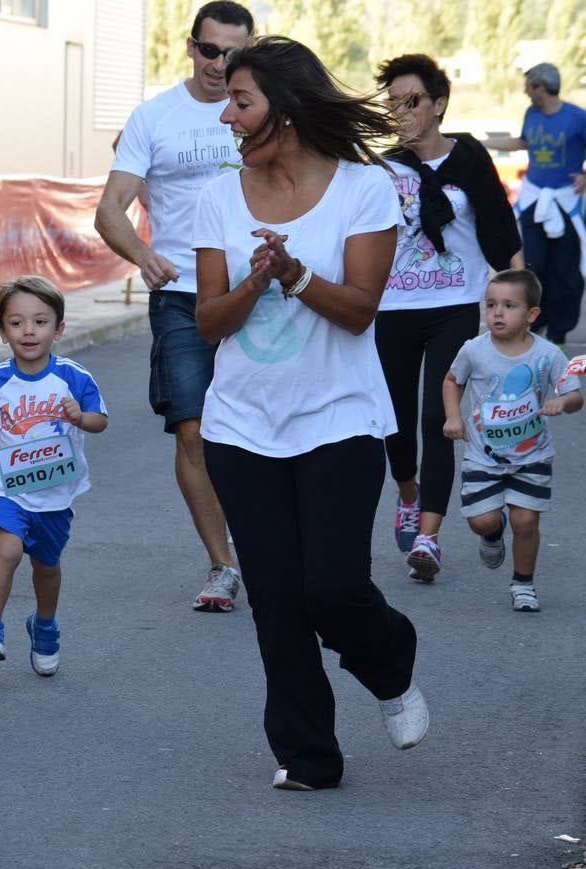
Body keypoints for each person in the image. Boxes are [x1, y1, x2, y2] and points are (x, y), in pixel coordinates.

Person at [193, 36, 427, 791]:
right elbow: (207, 322)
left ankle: (390, 665)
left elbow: (360, 311)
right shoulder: (216, 197)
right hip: (240, 428)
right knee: (277, 600)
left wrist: (294, 274)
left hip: (341, 421)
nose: (227, 116)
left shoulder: (365, 189)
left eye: (242, 101)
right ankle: (307, 755)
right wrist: (255, 282)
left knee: (331, 587)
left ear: (284, 111)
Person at [95, 1, 252, 613]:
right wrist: (141, 253)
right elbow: (110, 210)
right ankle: (224, 565)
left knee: (253, 429)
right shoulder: (155, 117)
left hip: (255, 294)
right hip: (183, 293)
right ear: (191, 47)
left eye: (234, 54)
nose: (220, 64)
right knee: (192, 428)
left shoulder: (264, 112)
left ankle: (265, 538)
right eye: (211, 50)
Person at [374, 54, 524, 582]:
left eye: (411, 101)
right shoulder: (382, 166)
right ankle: (408, 494)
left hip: (454, 306)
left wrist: (520, 294)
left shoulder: (468, 158)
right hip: (390, 307)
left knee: (439, 419)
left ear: (438, 105)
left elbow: (500, 226)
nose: (401, 112)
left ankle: (429, 537)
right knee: (392, 418)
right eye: (393, 102)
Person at [0, 276, 108, 676]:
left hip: (55, 493)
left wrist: (80, 416)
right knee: (7, 550)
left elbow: (100, 420)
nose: (29, 331)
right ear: (2, 331)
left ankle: (45, 625)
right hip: (9, 488)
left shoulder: (74, 377)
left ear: (59, 328)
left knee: (47, 566)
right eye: (16, 323)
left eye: (40, 322)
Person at [442, 269, 582, 612]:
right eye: (491, 305)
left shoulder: (548, 355)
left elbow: (574, 395)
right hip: (482, 455)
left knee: (526, 521)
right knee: (482, 520)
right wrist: (453, 415)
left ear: (532, 314)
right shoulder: (474, 350)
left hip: (532, 455)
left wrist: (561, 402)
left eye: (508, 305)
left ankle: (523, 584)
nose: (497, 313)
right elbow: (451, 380)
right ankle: (492, 534)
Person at [483, 63, 586, 345]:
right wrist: (480, 143)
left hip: (565, 204)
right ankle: (534, 323)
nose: (526, 90)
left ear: (541, 87)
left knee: (565, 271)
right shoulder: (532, 114)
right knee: (532, 266)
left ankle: (559, 331)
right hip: (534, 200)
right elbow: (522, 142)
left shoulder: (577, 117)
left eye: (528, 85)